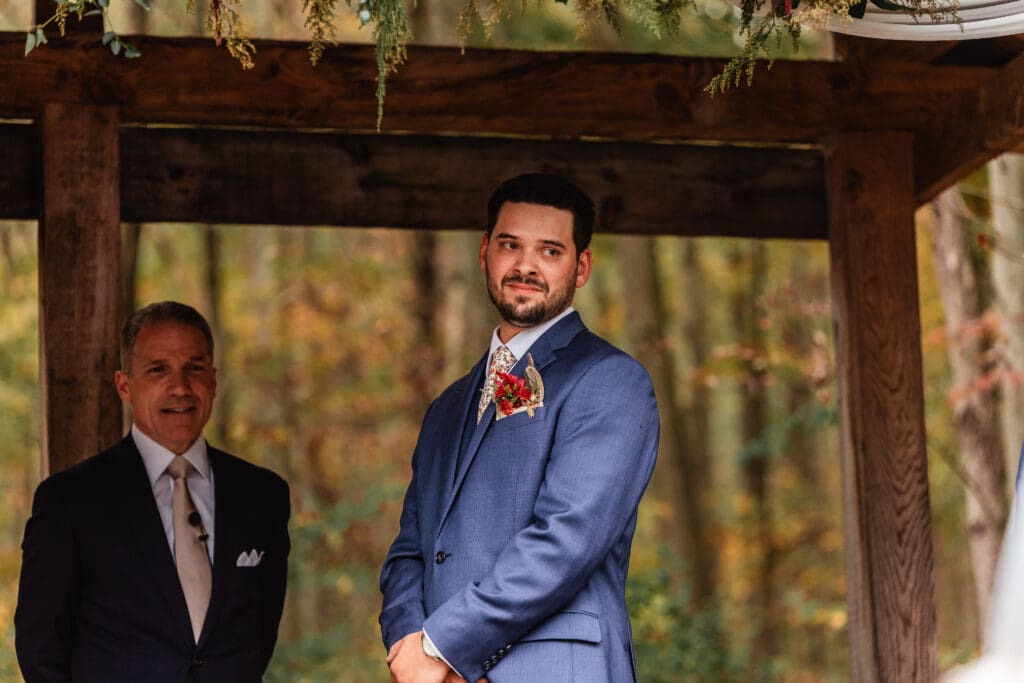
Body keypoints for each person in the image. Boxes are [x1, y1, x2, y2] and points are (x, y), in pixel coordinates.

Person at [379, 173, 660, 683]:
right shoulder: (448, 407)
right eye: (511, 245)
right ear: (485, 251)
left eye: (550, 251)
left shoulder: (611, 381)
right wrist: (410, 647)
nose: (525, 266)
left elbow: (566, 540)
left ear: (582, 267)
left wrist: (444, 645)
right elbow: (410, 550)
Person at [15, 301, 290, 683]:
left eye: (194, 368)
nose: (180, 387)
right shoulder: (69, 502)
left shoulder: (263, 496)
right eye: (158, 370)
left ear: (213, 378)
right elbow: (40, 650)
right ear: (124, 386)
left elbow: (260, 637)